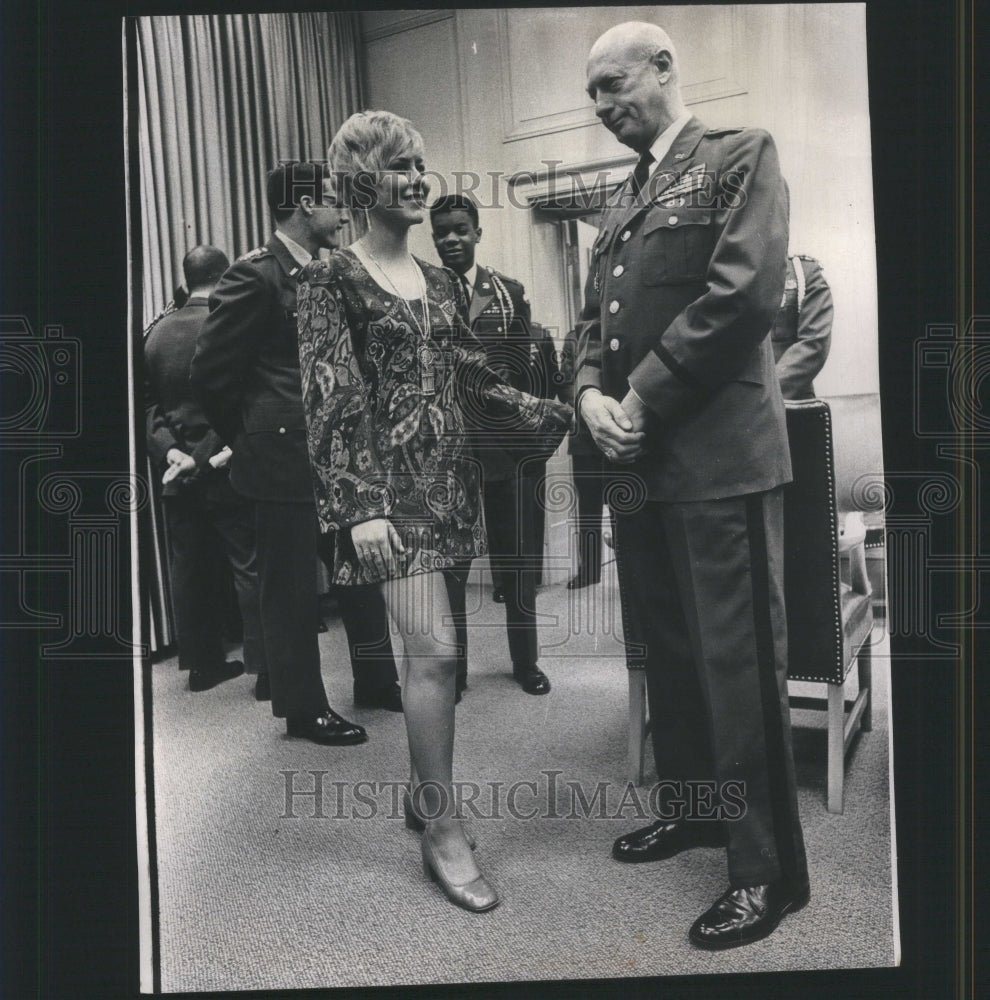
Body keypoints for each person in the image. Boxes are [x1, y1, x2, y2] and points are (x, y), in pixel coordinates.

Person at [296, 111, 569, 912]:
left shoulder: (443, 281)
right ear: (359, 184)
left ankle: (423, 791)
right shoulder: (329, 278)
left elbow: (475, 379)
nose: (418, 178)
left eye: (421, 162)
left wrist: (556, 410)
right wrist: (358, 507)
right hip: (383, 503)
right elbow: (329, 400)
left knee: (435, 655)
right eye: (398, 166)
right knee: (439, 657)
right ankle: (442, 829)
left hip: (449, 488)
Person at [576, 22, 809, 949]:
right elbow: (594, 319)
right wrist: (589, 393)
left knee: (737, 665)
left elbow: (743, 295)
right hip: (642, 466)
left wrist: (637, 396)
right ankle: (698, 811)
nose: (602, 106)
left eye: (612, 83)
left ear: (665, 68)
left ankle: (767, 874)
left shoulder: (739, 154)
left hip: (718, 462)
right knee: (669, 655)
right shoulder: (622, 195)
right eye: (591, 94)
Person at [190, 162, 397, 746]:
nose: (342, 212)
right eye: (332, 201)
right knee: (289, 592)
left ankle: (378, 682)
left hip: (338, 454)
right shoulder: (253, 278)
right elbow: (208, 374)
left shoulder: (328, 271)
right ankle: (304, 711)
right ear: (305, 206)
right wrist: (249, 434)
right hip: (281, 460)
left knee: (359, 572)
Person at [430, 193, 554, 696]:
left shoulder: (508, 291)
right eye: (441, 233)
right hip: (447, 447)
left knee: (518, 558)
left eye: (460, 230)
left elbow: (526, 368)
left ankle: (526, 663)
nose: (451, 240)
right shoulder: (422, 291)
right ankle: (453, 674)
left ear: (478, 233)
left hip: (504, 444)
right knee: (452, 567)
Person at [144, 245, 256, 692]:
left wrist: (170, 449)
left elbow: (147, 404)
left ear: (187, 278)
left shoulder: (155, 333)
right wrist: (206, 455)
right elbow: (238, 402)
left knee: (188, 570)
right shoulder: (227, 327)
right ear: (225, 275)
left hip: (176, 474)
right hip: (226, 466)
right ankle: (265, 670)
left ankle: (202, 665)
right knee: (249, 566)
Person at [560, 327, 605, 590]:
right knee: (588, 512)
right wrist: (577, 408)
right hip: (584, 439)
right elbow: (565, 380)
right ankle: (589, 571)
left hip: (622, 427)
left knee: (626, 507)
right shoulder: (574, 337)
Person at [771, 253, 833, 399]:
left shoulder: (803, 273)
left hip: (789, 403)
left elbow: (814, 344)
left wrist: (764, 398)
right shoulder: (731, 278)